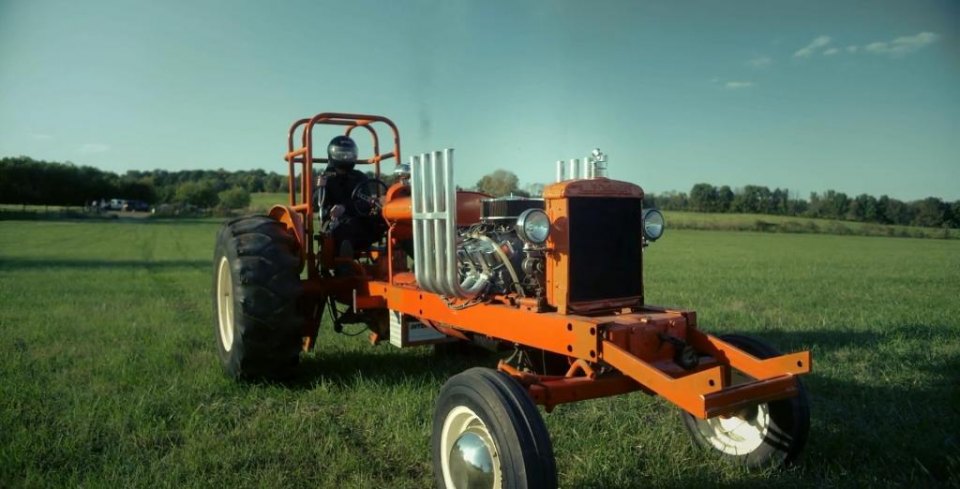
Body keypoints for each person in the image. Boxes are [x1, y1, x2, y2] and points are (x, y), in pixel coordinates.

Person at [316, 135, 385, 259]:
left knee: (386, 221)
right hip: (335, 223)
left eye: (349, 154)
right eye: (341, 154)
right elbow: (315, 204)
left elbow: (366, 202)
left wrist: (345, 207)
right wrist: (320, 188)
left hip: (360, 220)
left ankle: (397, 259)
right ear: (332, 154)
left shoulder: (360, 177)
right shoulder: (325, 178)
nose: (345, 157)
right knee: (345, 227)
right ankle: (345, 265)